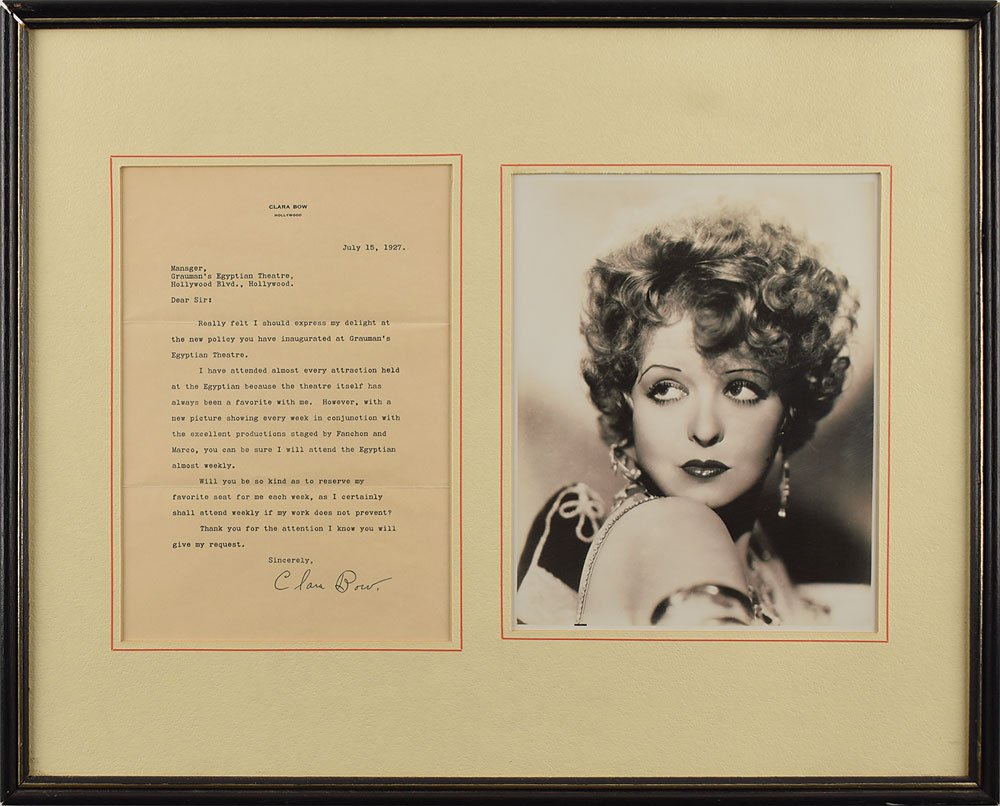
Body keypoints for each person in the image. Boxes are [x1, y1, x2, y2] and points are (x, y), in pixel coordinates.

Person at [516, 208, 858, 627]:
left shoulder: (761, 558)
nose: (704, 429)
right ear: (627, 401)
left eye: (741, 389)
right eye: (667, 389)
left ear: (790, 408)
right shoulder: (677, 525)